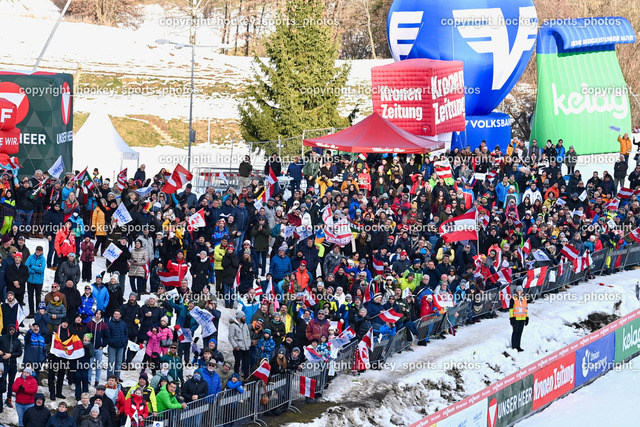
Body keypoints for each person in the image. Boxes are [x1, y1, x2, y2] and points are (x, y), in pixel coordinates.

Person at [0, 323, 22, 407]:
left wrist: (11, 355)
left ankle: (8, 398)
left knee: (11, 382)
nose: (12, 331)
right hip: (3, 364)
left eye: (13, 330)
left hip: (13, 364)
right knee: (2, 381)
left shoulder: (17, 340)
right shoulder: (2, 338)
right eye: (10, 329)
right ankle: (0, 400)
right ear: (8, 330)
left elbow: (20, 352)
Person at [228, 310, 251, 378]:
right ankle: (236, 377)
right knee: (237, 363)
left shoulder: (245, 325)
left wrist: (248, 343)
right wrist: (235, 346)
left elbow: (248, 335)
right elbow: (230, 337)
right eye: (243, 316)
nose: (244, 318)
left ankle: (246, 377)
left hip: (246, 347)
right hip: (238, 348)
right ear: (239, 317)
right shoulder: (233, 326)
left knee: (247, 364)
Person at [106, 309, 128, 379]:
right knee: (111, 362)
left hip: (121, 346)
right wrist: (110, 342)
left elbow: (126, 334)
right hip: (112, 346)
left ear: (120, 315)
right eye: (115, 314)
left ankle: (117, 377)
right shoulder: (109, 323)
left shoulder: (123, 324)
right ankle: (110, 377)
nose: (116, 315)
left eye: (118, 314)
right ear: (113, 315)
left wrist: (124, 342)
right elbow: (107, 335)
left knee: (118, 363)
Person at [25, 246, 46, 318]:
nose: (38, 252)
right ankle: (31, 312)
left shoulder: (43, 259)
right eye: (37, 250)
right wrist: (33, 271)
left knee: (38, 297)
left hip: (39, 282)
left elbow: (41, 269)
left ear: (42, 252)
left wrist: (32, 267)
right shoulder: (31, 257)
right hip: (30, 281)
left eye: (39, 251)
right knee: (30, 297)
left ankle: (38, 312)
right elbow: (26, 266)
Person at [509, 285, 529, 352]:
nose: (519, 292)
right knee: (515, 332)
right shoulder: (513, 299)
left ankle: (518, 346)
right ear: (516, 291)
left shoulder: (524, 299)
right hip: (516, 318)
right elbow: (511, 309)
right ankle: (514, 346)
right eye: (518, 290)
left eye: (520, 290)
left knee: (520, 332)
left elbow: (526, 309)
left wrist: (527, 317)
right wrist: (511, 318)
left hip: (522, 318)